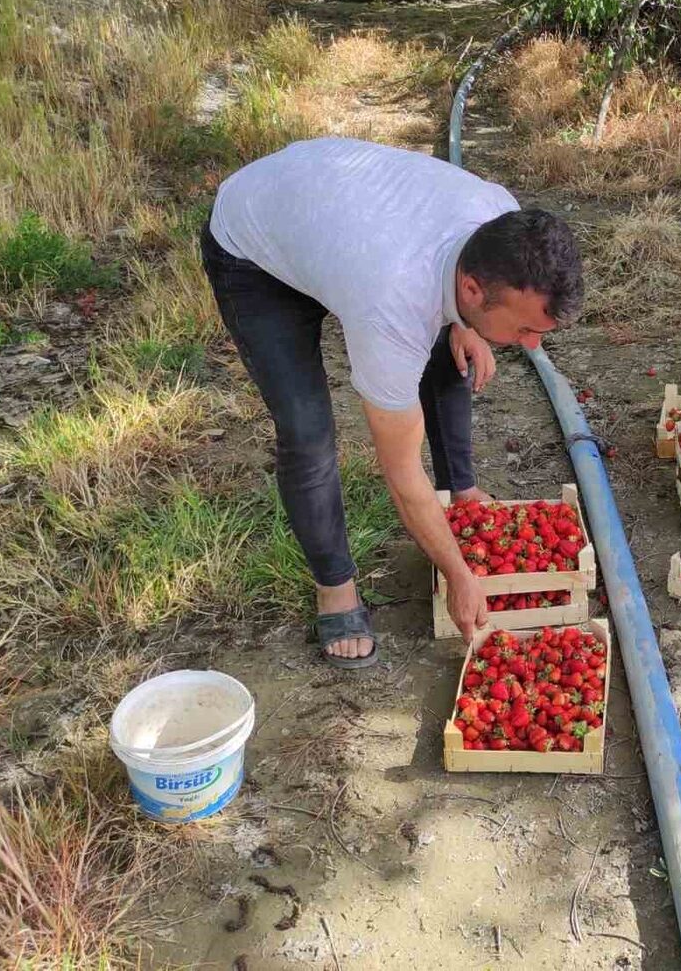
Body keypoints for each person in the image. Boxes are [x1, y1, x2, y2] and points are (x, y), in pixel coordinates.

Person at [202, 137, 583, 667]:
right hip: (254, 247)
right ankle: (335, 586)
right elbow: (401, 474)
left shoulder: (501, 219)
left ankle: (461, 490)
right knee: (307, 432)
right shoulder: (392, 305)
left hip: (334, 214)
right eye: (524, 328)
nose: (532, 344)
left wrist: (468, 326)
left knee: (453, 348)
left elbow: (454, 302)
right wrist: (458, 574)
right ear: (473, 288)